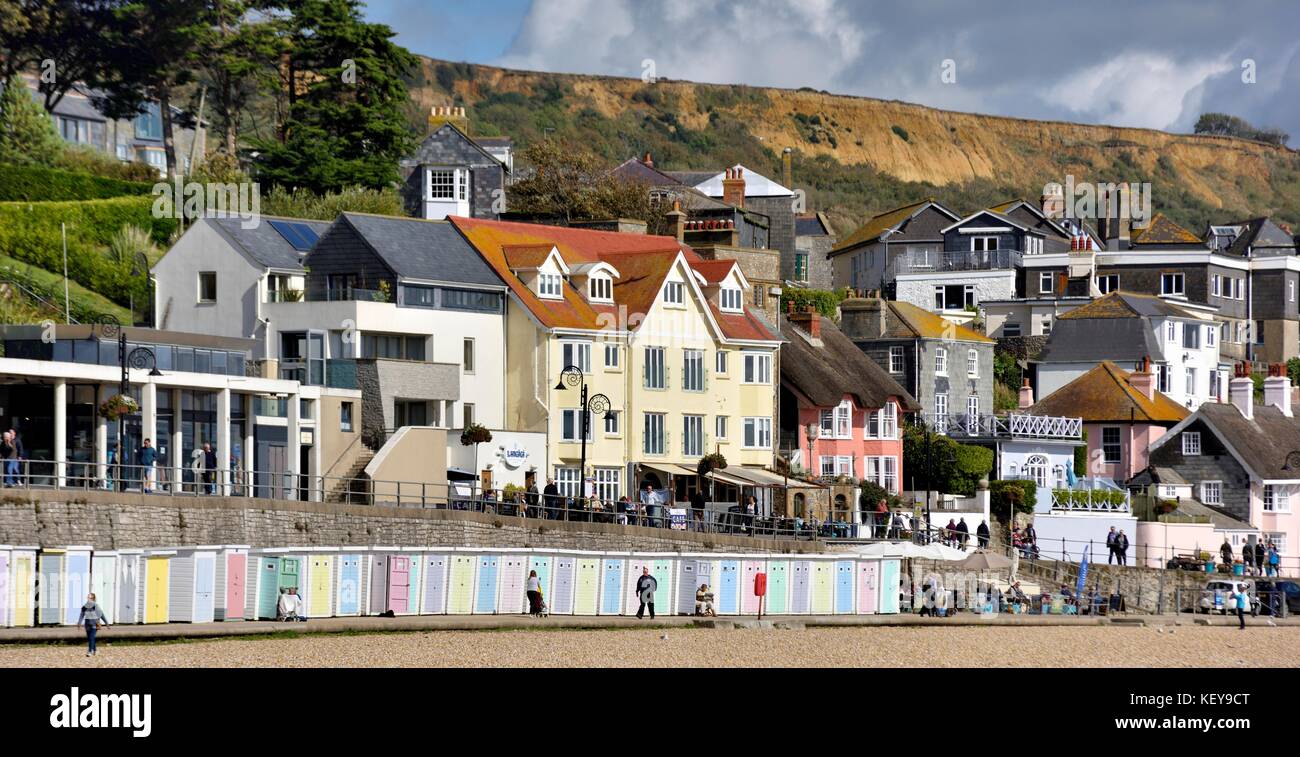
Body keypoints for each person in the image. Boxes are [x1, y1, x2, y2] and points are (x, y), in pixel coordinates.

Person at [77, 592, 109, 657]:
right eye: (88, 597)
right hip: (87, 624)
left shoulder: (95, 606)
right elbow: (82, 615)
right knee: (90, 638)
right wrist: (79, 623)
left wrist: (106, 623)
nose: (88, 599)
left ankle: (90, 651)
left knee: (91, 637)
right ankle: (95, 650)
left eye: (90, 598)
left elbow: (101, 615)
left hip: (95, 624)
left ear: (93, 598)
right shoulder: (84, 606)